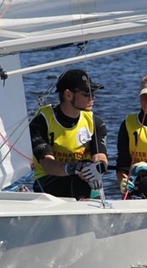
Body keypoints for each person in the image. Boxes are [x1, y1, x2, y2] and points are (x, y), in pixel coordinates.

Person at [29, 69, 109, 199]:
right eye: (87, 93)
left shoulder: (95, 122)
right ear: (68, 95)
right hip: (47, 182)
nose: (93, 97)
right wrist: (75, 168)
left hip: (82, 181)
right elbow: (48, 164)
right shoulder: (41, 122)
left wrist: (100, 166)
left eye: (93, 93)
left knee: (89, 182)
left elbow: (100, 155)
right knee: (78, 180)